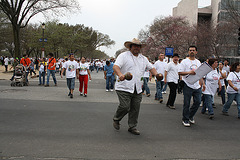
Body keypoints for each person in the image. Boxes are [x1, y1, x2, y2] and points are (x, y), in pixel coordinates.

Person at [112, 38, 161, 135]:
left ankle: (132, 126)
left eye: (138, 46)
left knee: (135, 108)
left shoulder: (143, 59)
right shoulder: (123, 56)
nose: (136, 48)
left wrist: (157, 74)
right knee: (125, 106)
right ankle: (116, 119)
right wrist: (120, 75)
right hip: (124, 86)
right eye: (134, 46)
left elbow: (152, 68)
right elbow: (115, 66)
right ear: (130, 47)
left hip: (137, 88)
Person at [178, 46, 205, 127]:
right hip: (187, 84)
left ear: (196, 52)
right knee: (187, 103)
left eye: (193, 50)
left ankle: (190, 116)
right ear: (188, 52)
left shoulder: (198, 62)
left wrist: (202, 83)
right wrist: (189, 72)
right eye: (190, 50)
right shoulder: (184, 62)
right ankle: (185, 119)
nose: (192, 52)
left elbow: (200, 74)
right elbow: (180, 72)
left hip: (197, 85)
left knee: (198, 102)